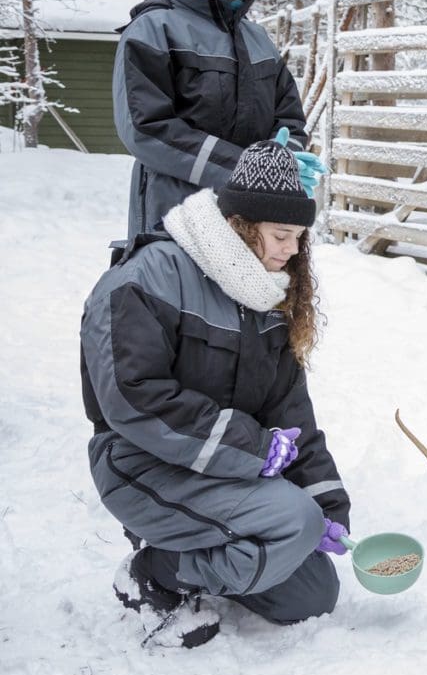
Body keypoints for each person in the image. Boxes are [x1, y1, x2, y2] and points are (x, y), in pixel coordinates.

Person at [81, 140, 350, 648]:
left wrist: (329, 505)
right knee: (294, 525)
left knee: (311, 594)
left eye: (298, 238)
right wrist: (253, 451)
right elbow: (131, 395)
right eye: (280, 235)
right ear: (240, 225)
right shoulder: (148, 275)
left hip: (223, 468)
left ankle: (204, 556)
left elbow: (291, 412)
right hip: (141, 466)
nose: (292, 251)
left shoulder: (265, 293)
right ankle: (158, 570)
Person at [112, 0, 324, 240]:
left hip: (255, 215)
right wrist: (245, 169)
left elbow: (289, 116)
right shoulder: (154, 30)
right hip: (178, 216)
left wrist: (285, 161)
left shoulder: (257, 38)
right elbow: (146, 128)